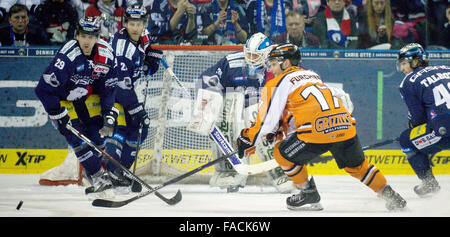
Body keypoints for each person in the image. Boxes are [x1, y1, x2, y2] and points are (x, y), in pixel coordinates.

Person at [236, 43, 407, 211]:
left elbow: (266, 120)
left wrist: (248, 138)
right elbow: (306, 108)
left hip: (316, 132)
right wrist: (279, 126)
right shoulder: (312, 75)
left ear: (286, 63)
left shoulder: (278, 82)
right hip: (344, 125)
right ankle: (390, 195)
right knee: (358, 167)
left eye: (273, 64)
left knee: (281, 153)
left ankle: (307, 192)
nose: (271, 69)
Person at [197, 32, 296, 193]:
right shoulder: (232, 62)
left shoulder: (279, 66)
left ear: (266, 55)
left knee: (263, 121)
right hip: (235, 113)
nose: (250, 58)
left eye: (255, 55)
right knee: (226, 117)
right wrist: (207, 100)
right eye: (248, 53)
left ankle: (281, 173)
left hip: (264, 115)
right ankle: (228, 172)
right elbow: (208, 78)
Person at [34, 16, 119, 199]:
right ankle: (98, 178)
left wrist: (108, 111)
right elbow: (42, 89)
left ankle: (93, 172)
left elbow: (108, 87)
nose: (87, 41)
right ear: (76, 35)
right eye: (83, 36)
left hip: (86, 98)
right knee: (75, 136)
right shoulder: (67, 57)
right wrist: (58, 113)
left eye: (91, 36)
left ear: (98, 37)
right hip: (63, 100)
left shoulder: (106, 54)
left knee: (98, 137)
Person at [105, 4, 163, 193]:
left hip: (124, 92)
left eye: (139, 24)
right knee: (121, 128)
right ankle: (112, 172)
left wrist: (150, 63)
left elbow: (142, 62)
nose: (135, 28)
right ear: (125, 24)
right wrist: (136, 109)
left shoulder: (142, 36)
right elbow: (120, 84)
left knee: (139, 129)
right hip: (111, 93)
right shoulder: (123, 49)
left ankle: (122, 171)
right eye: (132, 24)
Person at [395, 43, 450, 197]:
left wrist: (413, 128)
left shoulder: (409, 81)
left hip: (445, 130)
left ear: (416, 61)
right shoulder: (446, 69)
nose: (402, 69)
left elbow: (418, 118)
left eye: (404, 63)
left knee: (406, 140)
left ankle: (429, 183)